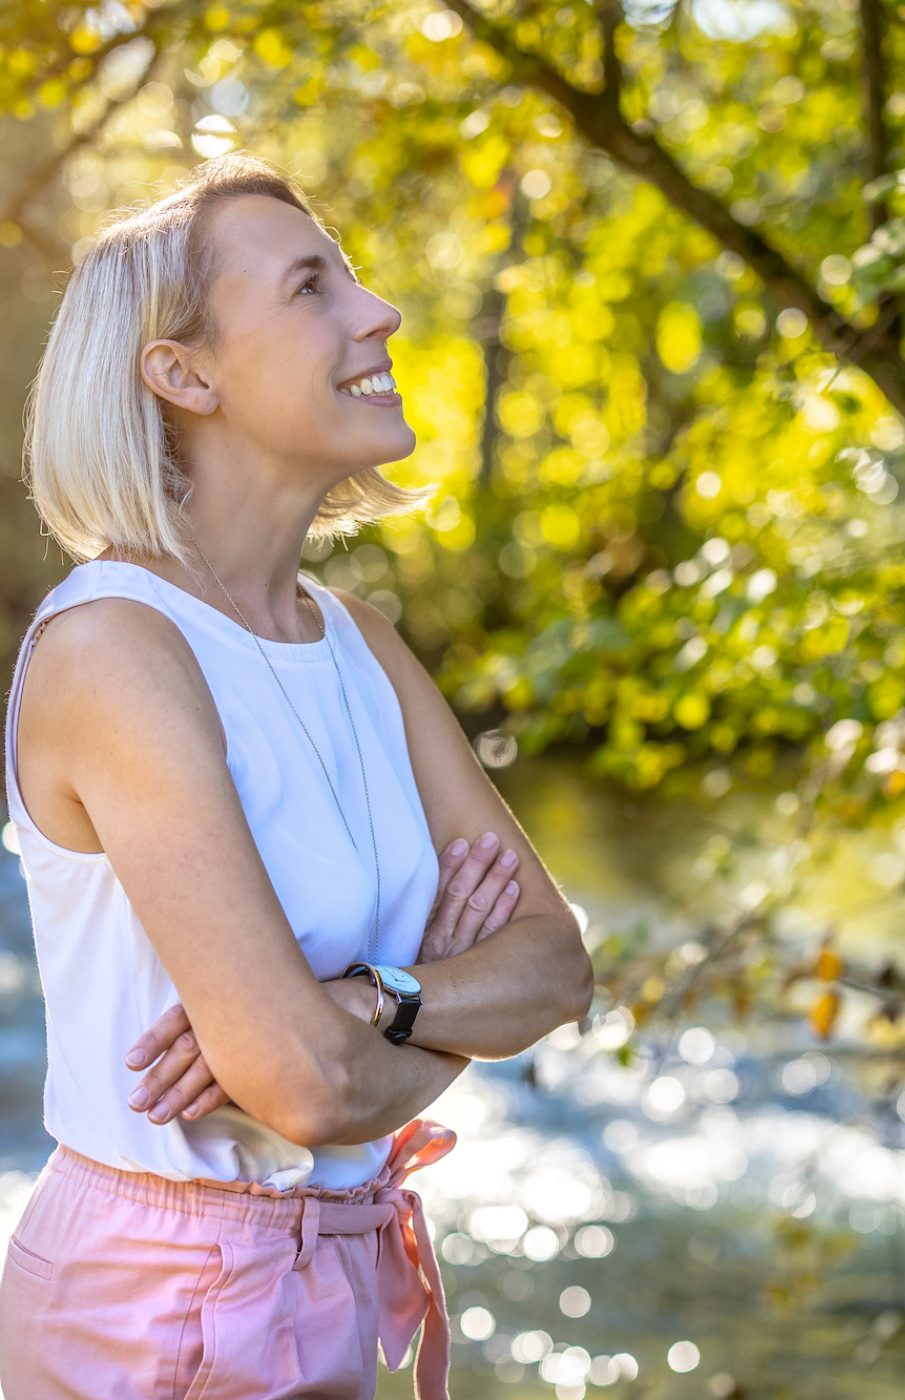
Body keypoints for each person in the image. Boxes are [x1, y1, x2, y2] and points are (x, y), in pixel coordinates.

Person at [0, 151, 594, 1399]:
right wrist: (435, 1008)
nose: (377, 311)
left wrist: (367, 995)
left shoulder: (360, 639)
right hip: (158, 1309)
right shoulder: (116, 646)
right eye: (312, 286)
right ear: (184, 371)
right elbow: (309, 1088)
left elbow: (556, 963)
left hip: (332, 1272)